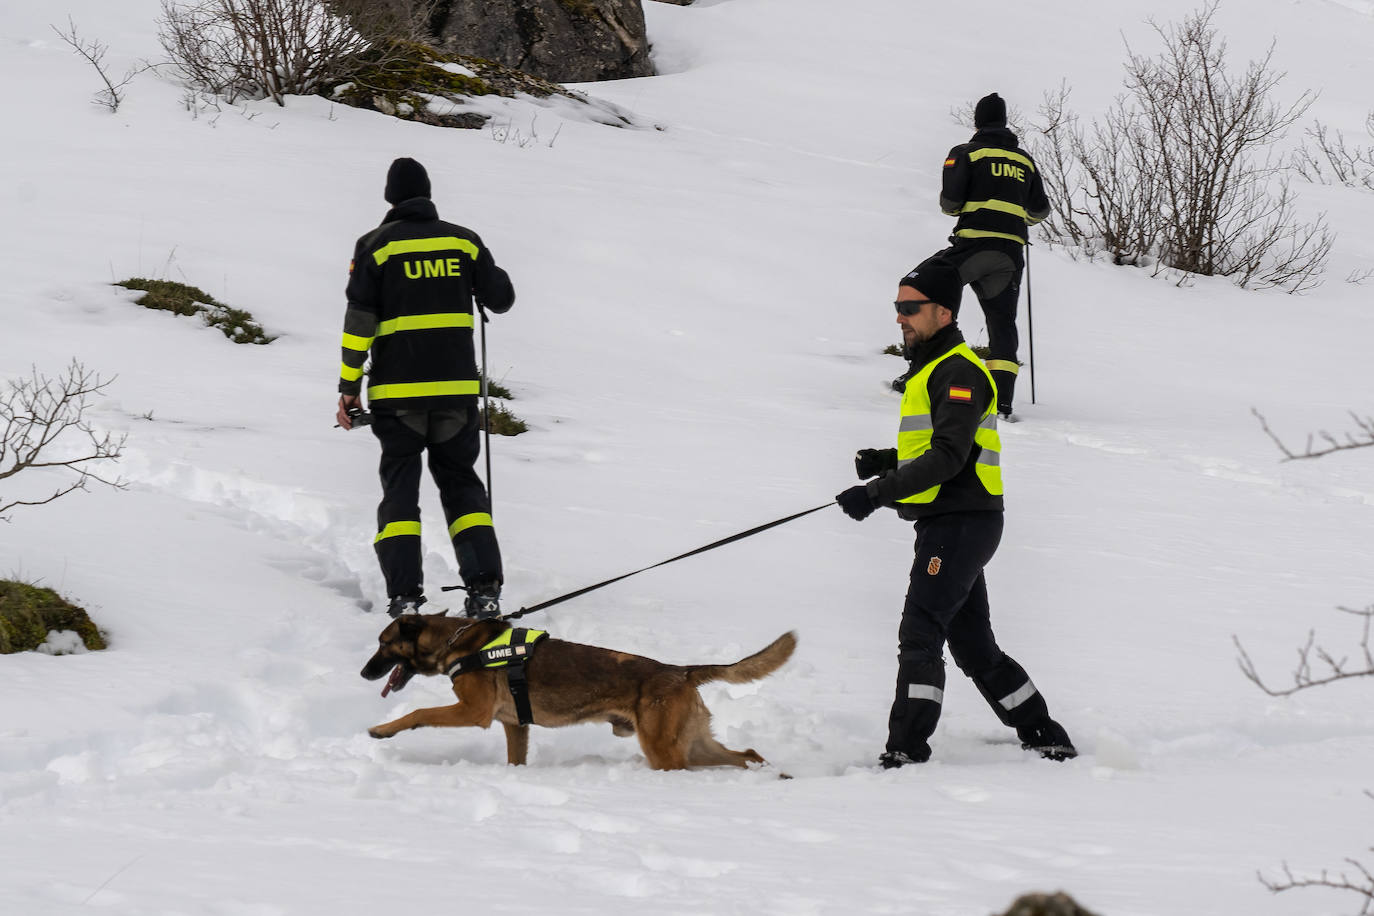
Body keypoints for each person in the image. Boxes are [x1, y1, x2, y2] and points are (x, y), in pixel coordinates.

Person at [836, 256, 1074, 768]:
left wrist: (877, 494)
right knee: (973, 645)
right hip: (952, 522)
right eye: (896, 307)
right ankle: (1043, 733)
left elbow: (949, 457)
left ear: (943, 313)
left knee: (920, 631)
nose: (899, 317)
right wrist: (887, 461)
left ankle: (905, 749)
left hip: (961, 524)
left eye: (909, 308)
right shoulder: (935, 370)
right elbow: (941, 447)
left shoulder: (959, 370)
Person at [336, 157, 515, 619]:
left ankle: (404, 596)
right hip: (456, 394)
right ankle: (484, 590)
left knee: (400, 492)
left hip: (398, 398)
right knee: (463, 490)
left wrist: (349, 386)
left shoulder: (375, 247)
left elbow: (360, 323)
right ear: (428, 195)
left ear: (390, 198)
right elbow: (502, 299)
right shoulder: (464, 242)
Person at [910, 92, 1050, 421]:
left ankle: (922, 374)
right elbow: (1040, 210)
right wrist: (1019, 218)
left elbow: (950, 204)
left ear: (978, 121)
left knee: (923, 288)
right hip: (1011, 253)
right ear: (1004, 121)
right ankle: (1002, 403)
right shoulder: (1024, 160)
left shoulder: (966, 153)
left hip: (972, 246)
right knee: (1002, 325)